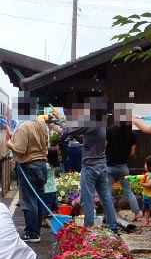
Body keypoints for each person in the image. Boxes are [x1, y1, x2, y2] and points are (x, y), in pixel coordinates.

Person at [52, 99, 119, 232]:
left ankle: (88, 229)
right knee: (105, 197)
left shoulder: (90, 122)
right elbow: (84, 140)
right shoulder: (100, 124)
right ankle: (113, 226)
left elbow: (68, 129)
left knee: (88, 199)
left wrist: (60, 118)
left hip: (90, 167)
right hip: (102, 164)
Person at [5, 98, 49, 243]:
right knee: (38, 199)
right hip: (42, 164)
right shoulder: (41, 122)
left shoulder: (24, 126)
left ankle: (32, 233)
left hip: (28, 166)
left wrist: (9, 144)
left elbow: (20, 149)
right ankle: (36, 230)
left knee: (28, 201)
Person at [106, 105, 142, 221]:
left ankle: (109, 215)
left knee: (107, 192)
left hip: (109, 166)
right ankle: (137, 214)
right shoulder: (132, 134)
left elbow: (104, 146)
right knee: (128, 192)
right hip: (123, 166)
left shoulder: (109, 131)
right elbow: (132, 153)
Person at [136, 155, 151, 228]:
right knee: (146, 209)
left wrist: (140, 183)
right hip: (146, 195)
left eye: (146, 164)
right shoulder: (147, 174)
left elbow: (150, 185)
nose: (144, 166)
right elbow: (144, 181)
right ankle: (146, 221)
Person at [42, 146, 60, 228]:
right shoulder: (53, 165)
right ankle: (62, 219)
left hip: (46, 190)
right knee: (55, 206)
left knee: (46, 209)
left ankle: (50, 224)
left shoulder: (46, 165)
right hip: (53, 189)